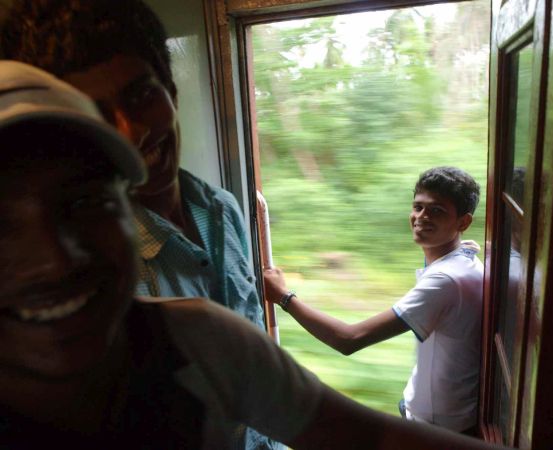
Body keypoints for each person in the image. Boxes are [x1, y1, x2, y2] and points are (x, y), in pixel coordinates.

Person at [0, 60, 508, 450]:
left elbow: (362, 426)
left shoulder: (204, 336)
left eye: (87, 203)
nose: (53, 257)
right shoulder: (458, 267)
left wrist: (282, 297)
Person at [1, 1, 271, 447]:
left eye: (141, 95)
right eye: (94, 111)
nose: (131, 131)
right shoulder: (97, 265)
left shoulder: (222, 208)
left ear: (171, 91)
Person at [264, 166, 484, 434]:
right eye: (418, 207)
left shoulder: (446, 280)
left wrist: (283, 297)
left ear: (463, 222)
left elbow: (349, 339)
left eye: (437, 211)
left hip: (437, 430)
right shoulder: (462, 259)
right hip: (433, 416)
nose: (421, 217)